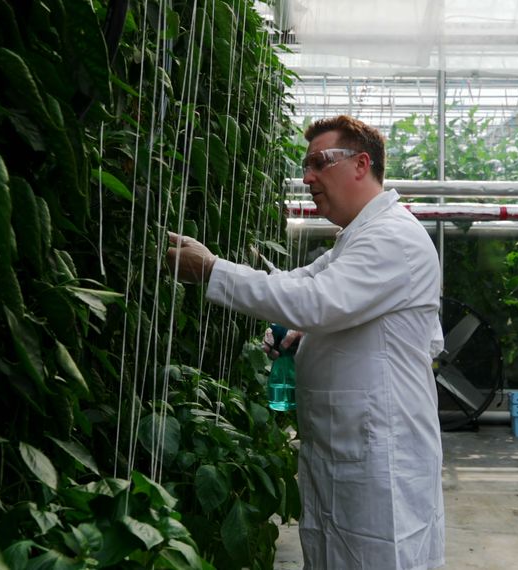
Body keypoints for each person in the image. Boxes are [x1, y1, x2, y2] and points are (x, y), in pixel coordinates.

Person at [166, 115, 445, 569]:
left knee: (381, 555)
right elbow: (300, 287)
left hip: (382, 456)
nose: (307, 176)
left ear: (360, 164)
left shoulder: (392, 238)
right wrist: (298, 331)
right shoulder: (355, 240)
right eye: (305, 164)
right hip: (346, 447)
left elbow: (314, 302)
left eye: (319, 162)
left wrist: (214, 270)